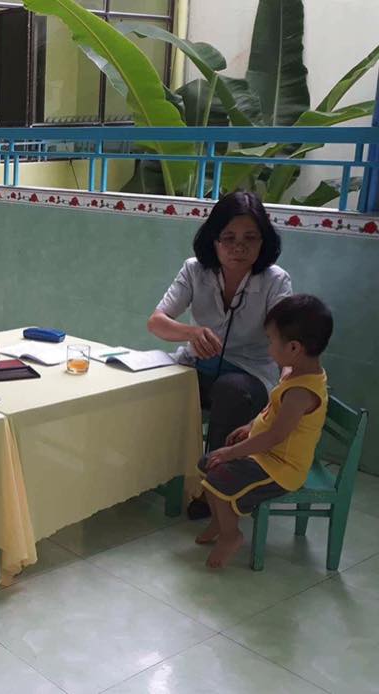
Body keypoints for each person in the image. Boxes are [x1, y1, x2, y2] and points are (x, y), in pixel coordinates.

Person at [148, 191, 291, 519]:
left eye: (250, 238)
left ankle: (212, 486)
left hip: (249, 376)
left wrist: (284, 393)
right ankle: (145, 471)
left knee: (232, 391)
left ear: (263, 242)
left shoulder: (275, 281)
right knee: (152, 384)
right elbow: (156, 322)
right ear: (213, 240)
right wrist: (191, 333)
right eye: (229, 238)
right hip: (199, 365)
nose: (239, 247)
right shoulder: (194, 270)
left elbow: (288, 344)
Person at [195, 294, 332, 568]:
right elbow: (272, 412)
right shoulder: (293, 372)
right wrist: (249, 427)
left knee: (218, 477)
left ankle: (231, 535)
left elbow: (275, 436)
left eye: (271, 341)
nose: (268, 348)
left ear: (293, 347)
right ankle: (220, 522)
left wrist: (232, 451)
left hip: (281, 467)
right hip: (266, 455)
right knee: (207, 463)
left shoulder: (301, 393)